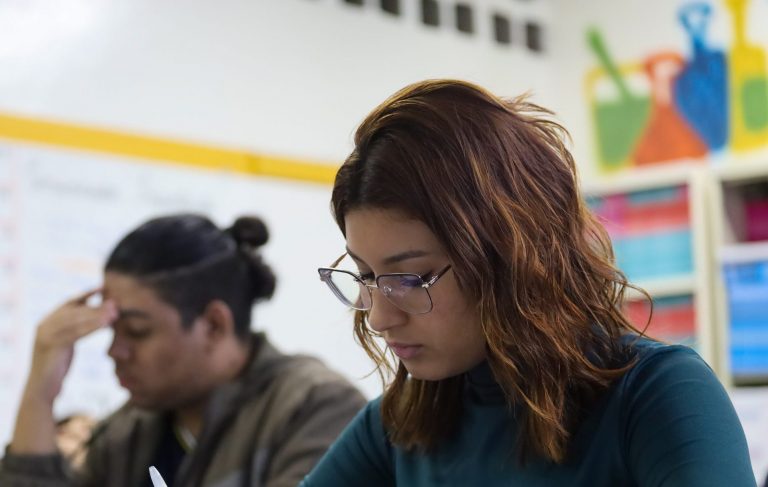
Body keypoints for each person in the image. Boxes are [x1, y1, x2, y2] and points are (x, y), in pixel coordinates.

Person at [300, 79, 756, 486]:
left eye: (412, 278)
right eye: (366, 275)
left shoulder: (657, 395)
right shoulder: (401, 423)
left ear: (511, 257)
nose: (379, 318)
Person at [1, 214, 366, 487]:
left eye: (137, 331)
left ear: (214, 325)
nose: (115, 351)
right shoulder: (129, 432)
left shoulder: (314, 407)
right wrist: (40, 394)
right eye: (113, 331)